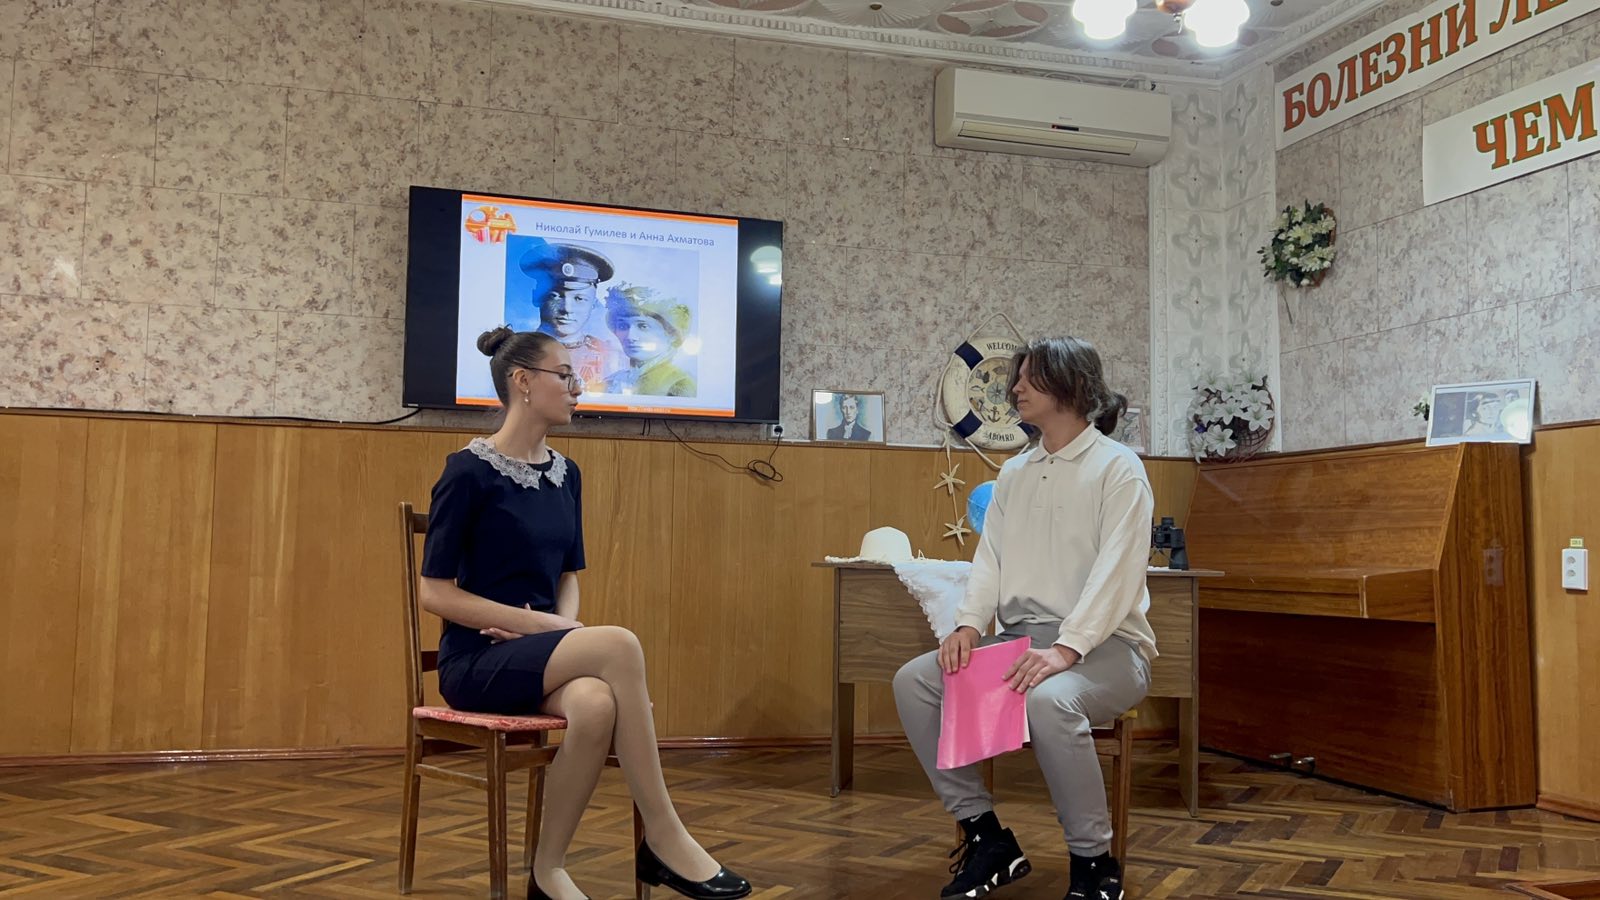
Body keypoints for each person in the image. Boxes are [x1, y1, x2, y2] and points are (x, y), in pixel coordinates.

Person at [419, 326, 749, 900]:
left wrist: (558, 629)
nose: (579, 388)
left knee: (596, 705)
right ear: (522, 381)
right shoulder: (467, 472)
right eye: (566, 375)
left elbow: (567, 576)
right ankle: (664, 836)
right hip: (476, 661)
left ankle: (547, 873)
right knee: (619, 643)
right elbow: (435, 593)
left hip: (541, 654)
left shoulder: (566, 475)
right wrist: (540, 626)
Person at [893, 337, 1155, 900]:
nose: (1015, 389)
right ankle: (987, 838)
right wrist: (968, 625)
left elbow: (1118, 573)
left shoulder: (1119, 469)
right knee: (915, 682)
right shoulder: (1015, 472)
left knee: (1050, 701)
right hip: (1020, 642)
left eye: (1029, 379)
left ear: (1070, 385)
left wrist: (1066, 649)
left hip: (1110, 649)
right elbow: (990, 559)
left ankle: (1094, 865)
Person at [516, 240, 623, 388]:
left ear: (593, 303)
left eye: (579, 299)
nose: (567, 308)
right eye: (555, 296)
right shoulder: (516, 353)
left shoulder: (610, 356)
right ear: (536, 297)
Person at [601, 285, 697, 398]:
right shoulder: (614, 381)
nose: (630, 336)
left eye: (643, 326)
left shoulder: (678, 384)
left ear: (671, 334)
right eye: (623, 326)